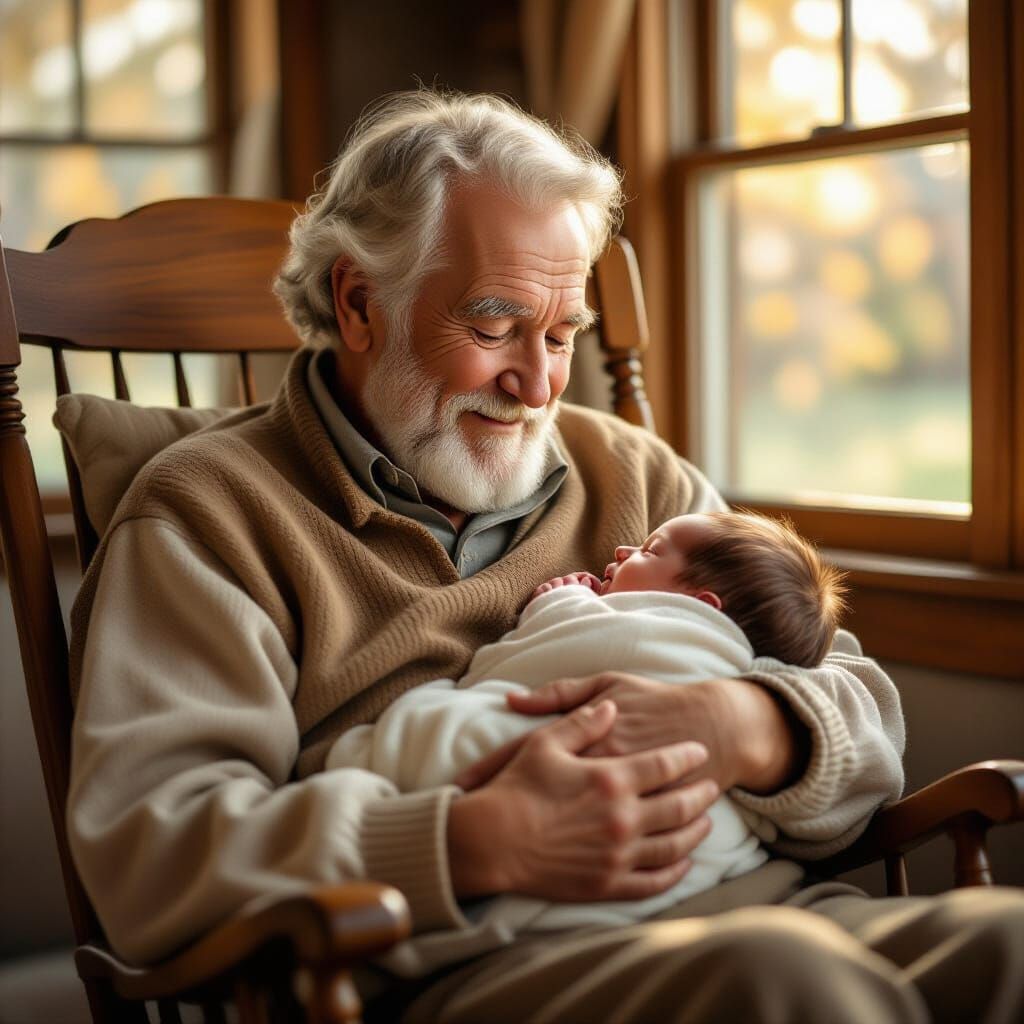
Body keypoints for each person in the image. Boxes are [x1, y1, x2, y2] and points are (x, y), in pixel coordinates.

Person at [66, 90, 1023, 1022]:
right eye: (493, 327)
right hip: (468, 964)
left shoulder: (636, 477)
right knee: (790, 982)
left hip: (758, 904)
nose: (536, 383)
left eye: (562, 335)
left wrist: (747, 723)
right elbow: (152, 848)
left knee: (1008, 943)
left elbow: (863, 715)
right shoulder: (207, 515)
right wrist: (468, 842)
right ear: (359, 303)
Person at [324, 511, 844, 941]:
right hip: (693, 895)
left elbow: (536, 655)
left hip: (731, 891)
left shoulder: (655, 621)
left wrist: (557, 600)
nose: (622, 552)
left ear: (700, 605)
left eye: (650, 550)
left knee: (427, 718)